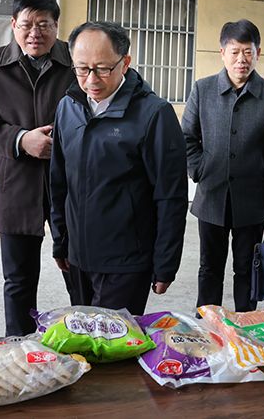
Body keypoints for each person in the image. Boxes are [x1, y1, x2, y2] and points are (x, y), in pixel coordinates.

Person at [50, 21, 188, 315]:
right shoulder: (68, 107)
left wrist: (165, 263)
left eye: (103, 69)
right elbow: (59, 181)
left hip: (126, 262)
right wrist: (60, 242)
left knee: (115, 339)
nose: (91, 79)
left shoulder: (154, 114)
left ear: (125, 62)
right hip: (78, 258)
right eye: (82, 69)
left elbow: (170, 196)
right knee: (82, 334)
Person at [0, 0, 75, 336]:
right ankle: (19, 348)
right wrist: (22, 139)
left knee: (78, 272)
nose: (34, 33)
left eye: (44, 24)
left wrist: (64, 142)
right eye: (27, 24)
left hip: (70, 185)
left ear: (56, 25)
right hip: (15, 184)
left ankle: (90, 340)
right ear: (13, 24)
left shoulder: (75, 61)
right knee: (18, 281)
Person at [182, 19, 264, 312]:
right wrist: (200, 169)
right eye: (235, 51)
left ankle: (244, 325)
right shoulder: (203, 89)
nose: (241, 59)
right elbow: (186, 137)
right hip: (211, 197)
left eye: (248, 52)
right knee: (209, 268)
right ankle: (208, 323)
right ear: (222, 53)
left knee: (247, 268)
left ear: (258, 53)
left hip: (253, 202)